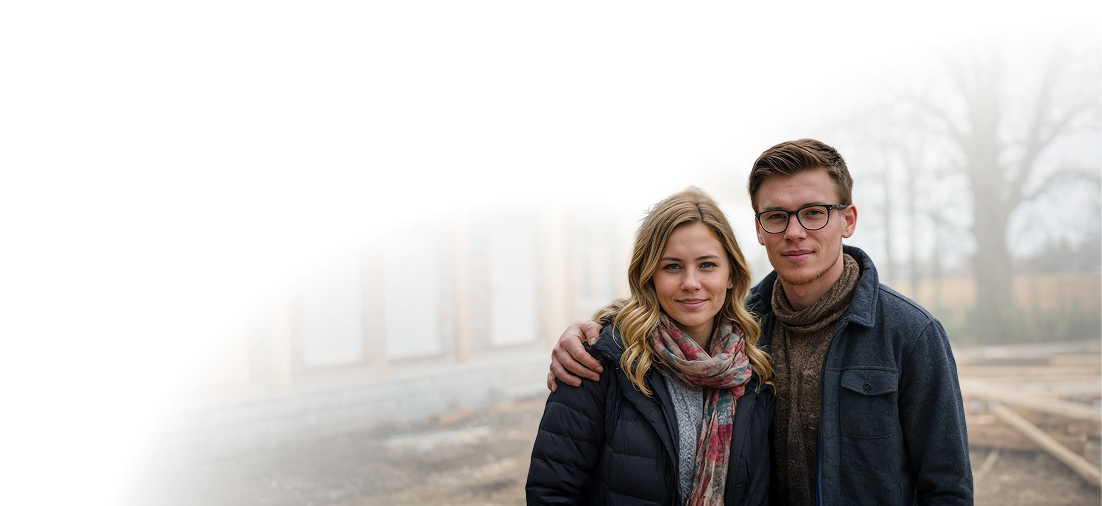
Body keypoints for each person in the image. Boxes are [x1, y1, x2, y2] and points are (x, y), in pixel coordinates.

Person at [547, 139, 973, 505]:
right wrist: (592, 329)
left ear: (848, 220)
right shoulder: (744, 332)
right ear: (759, 228)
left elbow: (947, 487)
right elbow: (668, 316)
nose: (794, 232)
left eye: (814, 212)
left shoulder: (910, 334)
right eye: (777, 216)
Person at [526, 189, 776, 505]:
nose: (690, 282)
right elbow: (553, 492)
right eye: (672, 266)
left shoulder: (753, 369)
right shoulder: (600, 360)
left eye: (707, 265)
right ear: (650, 275)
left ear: (731, 275)